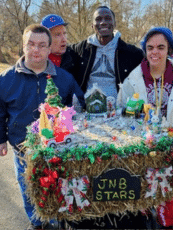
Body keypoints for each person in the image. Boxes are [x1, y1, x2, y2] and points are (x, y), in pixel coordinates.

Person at [0, 24, 85, 229]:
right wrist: (1, 139)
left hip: (58, 150)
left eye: (41, 45)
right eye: (31, 44)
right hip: (23, 150)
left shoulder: (64, 78)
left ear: (49, 48)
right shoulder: (6, 79)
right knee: (28, 188)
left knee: (57, 187)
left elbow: (79, 108)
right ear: (23, 46)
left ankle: (58, 220)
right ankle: (38, 224)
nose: (35, 50)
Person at [117, 26, 173, 228]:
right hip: (143, 148)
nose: (155, 52)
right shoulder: (133, 79)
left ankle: (165, 221)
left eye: (161, 47)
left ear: (169, 49)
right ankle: (145, 218)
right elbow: (121, 109)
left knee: (168, 199)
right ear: (145, 50)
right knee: (143, 193)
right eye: (150, 47)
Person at [70, 6, 144, 101]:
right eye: (98, 19)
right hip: (87, 109)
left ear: (115, 24)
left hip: (119, 109)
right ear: (92, 25)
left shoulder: (132, 53)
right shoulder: (80, 49)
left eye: (108, 19)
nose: (103, 22)